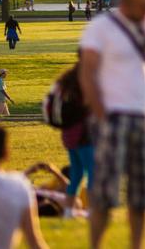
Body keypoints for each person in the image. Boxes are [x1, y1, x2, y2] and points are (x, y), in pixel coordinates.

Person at [78, 0, 145, 249]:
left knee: (143, 194)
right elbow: (87, 73)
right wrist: (100, 114)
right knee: (104, 192)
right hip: (113, 115)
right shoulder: (101, 27)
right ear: (129, 3)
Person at [55, 62, 94, 219]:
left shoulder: (67, 86)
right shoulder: (84, 87)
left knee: (77, 174)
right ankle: (92, 210)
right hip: (84, 137)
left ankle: (69, 211)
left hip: (70, 137)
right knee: (93, 172)